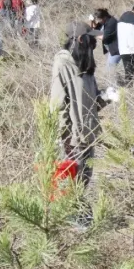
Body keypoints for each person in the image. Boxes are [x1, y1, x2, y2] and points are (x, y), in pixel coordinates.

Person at [50, 22, 111, 185]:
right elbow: (58, 104)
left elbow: (91, 105)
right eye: (91, 39)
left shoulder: (86, 67)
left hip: (88, 136)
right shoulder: (63, 64)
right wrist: (62, 138)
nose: (95, 43)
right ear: (80, 40)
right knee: (69, 187)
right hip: (72, 140)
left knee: (83, 183)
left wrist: (107, 97)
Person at [92, 9, 121, 85]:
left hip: (116, 49)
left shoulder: (112, 22)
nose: (98, 21)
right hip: (110, 50)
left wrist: (93, 34)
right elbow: (95, 28)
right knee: (111, 70)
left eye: (99, 19)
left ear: (104, 17)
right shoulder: (104, 21)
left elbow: (104, 37)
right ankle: (115, 86)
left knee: (110, 70)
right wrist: (92, 21)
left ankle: (113, 88)